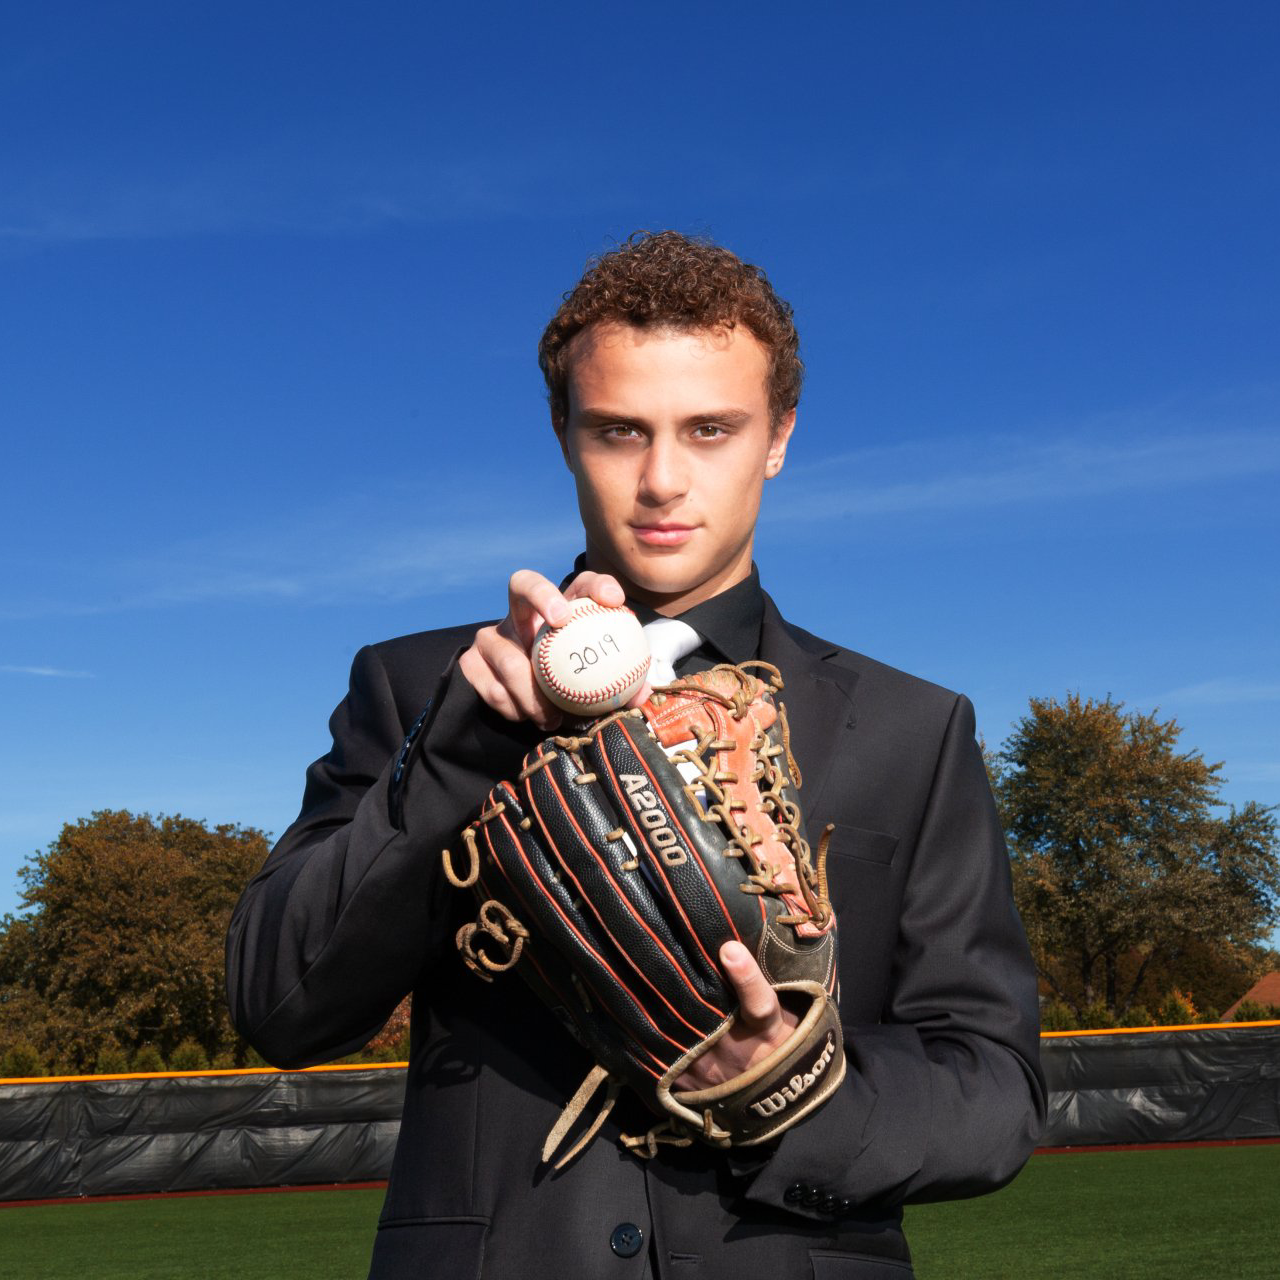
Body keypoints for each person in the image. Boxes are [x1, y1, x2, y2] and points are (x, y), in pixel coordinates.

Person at [226, 231, 1045, 1279]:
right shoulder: (418, 687)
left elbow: (991, 1091)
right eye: (619, 430)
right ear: (564, 432)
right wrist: (458, 753)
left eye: (710, 428)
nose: (662, 478)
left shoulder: (911, 727)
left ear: (779, 434)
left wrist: (792, 1087)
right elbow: (280, 1005)